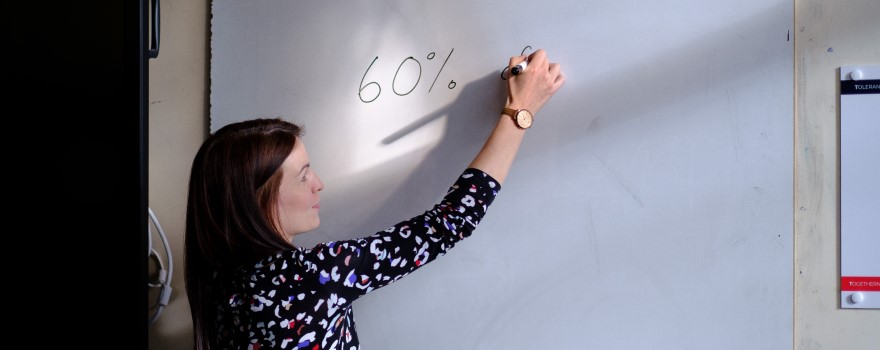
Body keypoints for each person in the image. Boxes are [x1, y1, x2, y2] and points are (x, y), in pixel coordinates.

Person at [184, 49, 565, 350]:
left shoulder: (223, 286)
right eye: (303, 176)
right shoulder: (309, 279)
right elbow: (448, 224)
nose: (319, 184)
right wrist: (520, 111)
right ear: (258, 201)